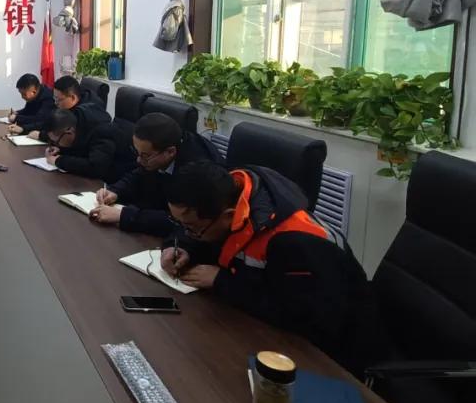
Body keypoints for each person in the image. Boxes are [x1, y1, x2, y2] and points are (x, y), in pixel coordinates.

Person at [160, 161, 386, 376]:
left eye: (191, 228)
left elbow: (303, 317)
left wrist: (222, 281)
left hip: (333, 354)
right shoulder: (229, 199)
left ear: (229, 216)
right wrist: (182, 246)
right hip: (266, 327)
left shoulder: (295, 243)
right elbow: (213, 239)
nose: (188, 232)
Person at [89, 112, 220, 236]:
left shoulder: (196, 173)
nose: (138, 160)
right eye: (137, 152)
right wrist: (115, 191)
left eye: (145, 156)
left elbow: (181, 220)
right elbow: (139, 174)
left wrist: (122, 216)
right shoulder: (155, 153)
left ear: (170, 152)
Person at [42, 108, 133, 183]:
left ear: (69, 131)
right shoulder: (78, 123)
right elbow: (83, 149)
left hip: (123, 181)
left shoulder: (101, 132)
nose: (57, 144)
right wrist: (61, 150)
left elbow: (95, 168)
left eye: (57, 141)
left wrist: (59, 160)